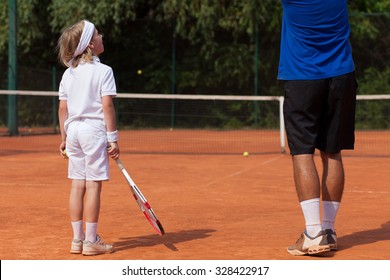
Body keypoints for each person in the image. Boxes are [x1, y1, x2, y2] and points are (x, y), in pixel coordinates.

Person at [278, 0, 357, 256]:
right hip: (342, 77)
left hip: (302, 77)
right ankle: (329, 230)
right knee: (332, 153)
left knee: (302, 152)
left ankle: (313, 233)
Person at [57, 20, 120, 256]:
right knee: (93, 186)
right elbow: (107, 106)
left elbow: (62, 109)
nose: (102, 36)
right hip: (93, 132)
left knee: (77, 185)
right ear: (91, 44)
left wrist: (63, 138)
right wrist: (112, 138)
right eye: (98, 35)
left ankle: (77, 240)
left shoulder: (68, 73)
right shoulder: (104, 71)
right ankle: (91, 241)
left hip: (73, 132)